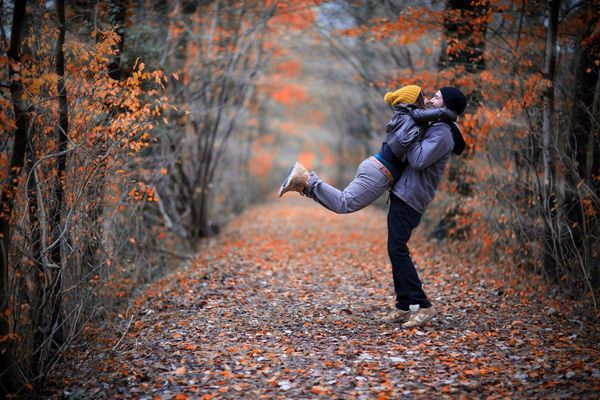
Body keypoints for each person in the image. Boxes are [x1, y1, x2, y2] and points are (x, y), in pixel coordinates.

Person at [278, 85, 457, 215]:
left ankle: (304, 183)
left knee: (344, 203)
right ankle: (306, 179)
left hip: (377, 167)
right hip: (380, 172)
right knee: (344, 203)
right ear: (414, 101)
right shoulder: (410, 116)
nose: (428, 100)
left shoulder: (406, 118)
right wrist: (447, 113)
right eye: (424, 96)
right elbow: (425, 115)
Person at [387, 87, 467, 328]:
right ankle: (403, 307)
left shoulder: (443, 132)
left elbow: (419, 160)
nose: (431, 100)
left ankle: (423, 306)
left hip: (412, 196)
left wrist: (408, 137)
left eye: (437, 97)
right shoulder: (437, 126)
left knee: (398, 249)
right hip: (405, 192)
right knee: (395, 249)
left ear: (446, 105)